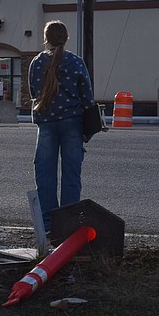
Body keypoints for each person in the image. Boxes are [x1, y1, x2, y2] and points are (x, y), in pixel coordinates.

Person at [28, 20, 94, 231]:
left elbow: (32, 92)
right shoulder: (75, 62)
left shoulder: (37, 62)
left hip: (46, 123)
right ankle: (69, 223)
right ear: (66, 38)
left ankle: (48, 224)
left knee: (45, 174)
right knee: (71, 174)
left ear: (45, 38)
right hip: (72, 122)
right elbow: (87, 96)